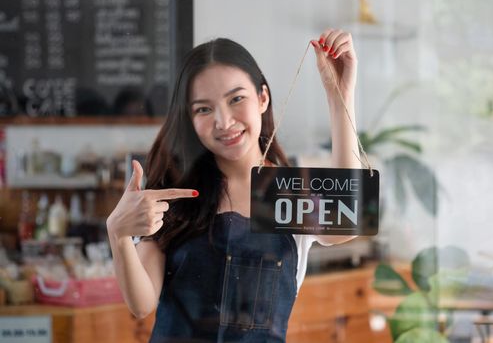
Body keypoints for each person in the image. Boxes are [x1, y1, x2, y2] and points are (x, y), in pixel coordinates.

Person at [106, 28, 361, 343]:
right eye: (204, 109)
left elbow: (347, 223)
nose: (223, 121)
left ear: (262, 98)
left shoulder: (286, 191)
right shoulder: (177, 191)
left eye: (236, 98)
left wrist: (339, 96)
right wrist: (118, 234)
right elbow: (141, 304)